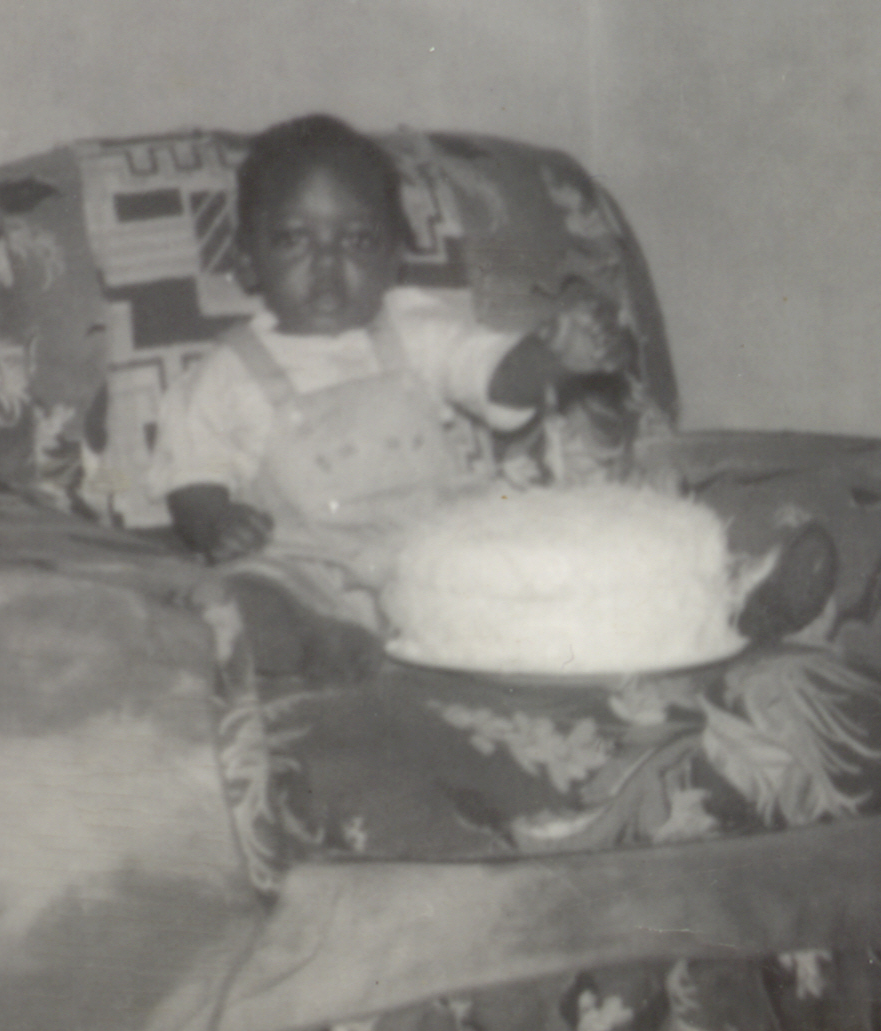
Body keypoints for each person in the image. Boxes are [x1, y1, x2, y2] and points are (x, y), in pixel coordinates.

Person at [149, 115, 836, 659]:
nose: (327, 268)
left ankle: (727, 600)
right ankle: (302, 644)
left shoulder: (410, 327)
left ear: (393, 259)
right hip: (316, 568)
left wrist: (550, 355)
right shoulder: (224, 373)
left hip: (439, 550)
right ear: (247, 260)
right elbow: (191, 474)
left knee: (548, 546)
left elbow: (488, 367)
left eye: (356, 242)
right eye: (293, 241)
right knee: (255, 592)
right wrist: (213, 519)